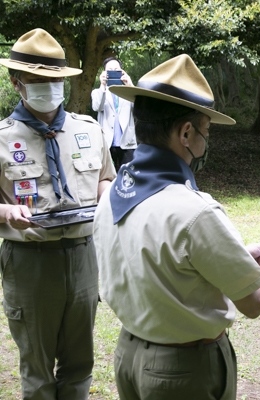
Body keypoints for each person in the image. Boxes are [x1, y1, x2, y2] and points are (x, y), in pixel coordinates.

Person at [93, 54, 260, 400]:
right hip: (181, 371)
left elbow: (160, 269)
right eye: (206, 132)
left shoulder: (112, 195)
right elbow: (253, 302)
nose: (206, 143)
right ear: (186, 132)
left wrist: (237, 258)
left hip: (129, 354)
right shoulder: (194, 210)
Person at [0, 28, 116, 399]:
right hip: (30, 262)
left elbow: (105, 180)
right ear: (17, 83)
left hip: (84, 256)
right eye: (37, 81)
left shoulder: (89, 129)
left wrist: (108, 198)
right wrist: (6, 212)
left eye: (54, 80)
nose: (47, 87)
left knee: (80, 364)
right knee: (37, 370)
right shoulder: (2, 138)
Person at [91, 56, 137, 170]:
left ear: (122, 72)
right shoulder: (98, 92)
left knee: (129, 176)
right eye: (109, 70)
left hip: (127, 143)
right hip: (107, 143)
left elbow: (139, 108)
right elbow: (97, 106)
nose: (113, 72)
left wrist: (130, 85)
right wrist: (102, 85)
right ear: (104, 72)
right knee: (108, 176)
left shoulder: (128, 92)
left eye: (116, 69)